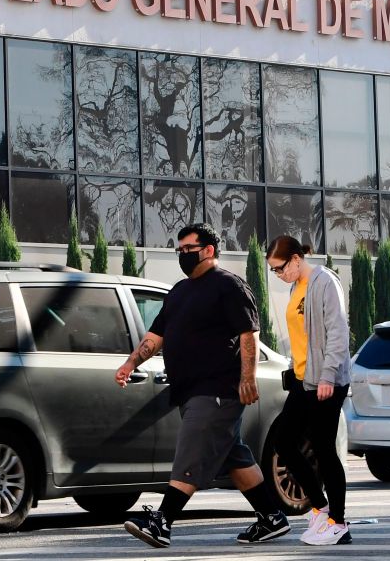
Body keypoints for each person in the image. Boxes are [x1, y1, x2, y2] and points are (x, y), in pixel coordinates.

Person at [115, 223, 290, 548]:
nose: (182, 255)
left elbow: (249, 333)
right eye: (179, 250)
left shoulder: (228, 285)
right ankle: (272, 517)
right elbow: (155, 337)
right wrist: (130, 363)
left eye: (188, 249)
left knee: (192, 450)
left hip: (218, 390)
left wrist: (248, 378)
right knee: (232, 456)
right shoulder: (179, 292)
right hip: (190, 390)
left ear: (208, 250)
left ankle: (162, 521)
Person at [265, 236, 352, 546]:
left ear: (296, 260)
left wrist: (328, 375)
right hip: (305, 380)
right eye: (273, 271)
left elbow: (338, 332)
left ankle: (338, 523)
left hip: (328, 381)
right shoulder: (295, 287)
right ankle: (320, 507)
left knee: (324, 448)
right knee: (284, 442)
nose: (277, 275)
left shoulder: (325, 282)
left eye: (279, 268)